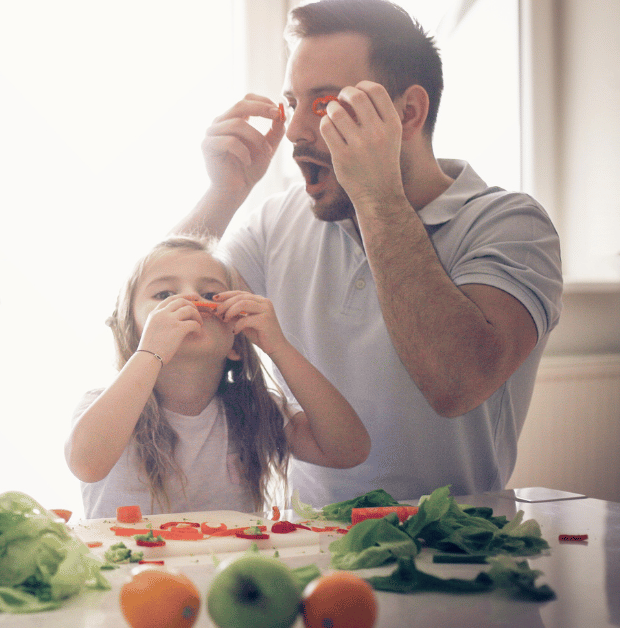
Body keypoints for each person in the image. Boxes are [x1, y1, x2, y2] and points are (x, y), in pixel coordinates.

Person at [175, 0, 562, 506]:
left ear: (408, 114)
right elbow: (158, 334)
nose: (293, 131)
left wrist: (377, 197)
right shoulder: (277, 221)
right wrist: (224, 193)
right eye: (293, 104)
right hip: (311, 544)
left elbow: (456, 384)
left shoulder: (511, 226)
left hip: (460, 545)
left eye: (324, 105)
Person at [65, 236, 369, 518]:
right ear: (132, 332)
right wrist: (150, 354)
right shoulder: (105, 406)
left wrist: (279, 347)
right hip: (128, 573)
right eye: (164, 294)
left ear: (237, 342)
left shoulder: (255, 410)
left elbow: (349, 451)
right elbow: (86, 464)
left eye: (210, 294)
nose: (189, 299)